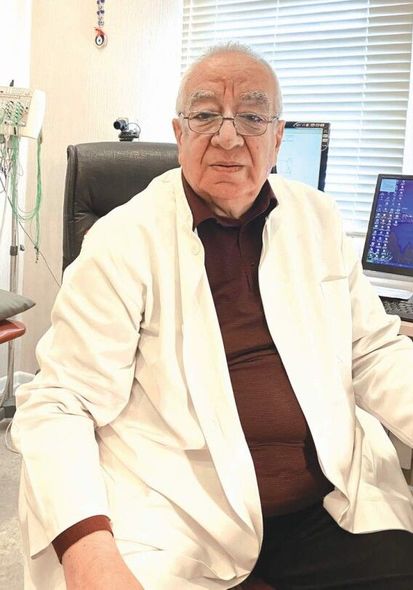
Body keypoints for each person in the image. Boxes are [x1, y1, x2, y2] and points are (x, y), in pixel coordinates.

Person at [11, 43, 413, 590]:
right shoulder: (122, 241)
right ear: (180, 134)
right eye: (205, 115)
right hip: (179, 522)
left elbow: (373, 352)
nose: (228, 137)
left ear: (277, 137)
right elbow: (63, 403)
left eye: (251, 116)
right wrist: (87, 549)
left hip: (328, 504)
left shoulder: (317, 218)